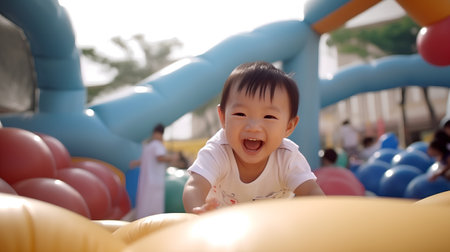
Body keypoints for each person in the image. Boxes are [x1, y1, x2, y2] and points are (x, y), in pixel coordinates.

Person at [182, 61, 324, 214]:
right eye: (240, 114)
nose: (253, 127)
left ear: (289, 126)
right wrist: (197, 210)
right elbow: (194, 186)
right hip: (223, 228)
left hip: (271, 229)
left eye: (269, 116)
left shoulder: (287, 158)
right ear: (223, 118)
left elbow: (311, 192)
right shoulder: (218, 151)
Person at [129, 123, 177, 219]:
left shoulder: (148, 146)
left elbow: (142, 161)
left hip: (146, 181)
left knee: (145, 203)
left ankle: (141, 222)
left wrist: (134, 163)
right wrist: (172, 157)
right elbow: (159, 158)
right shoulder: (158, 145)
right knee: (154, 206)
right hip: (155, 181)